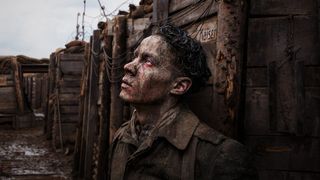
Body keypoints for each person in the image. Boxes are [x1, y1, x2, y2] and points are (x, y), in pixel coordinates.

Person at [108, 24, 257, 180]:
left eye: (148, 61)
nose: (128, 66)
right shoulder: (121, 137)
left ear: (179, 86)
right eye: (135, 56)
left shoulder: (220, 157)